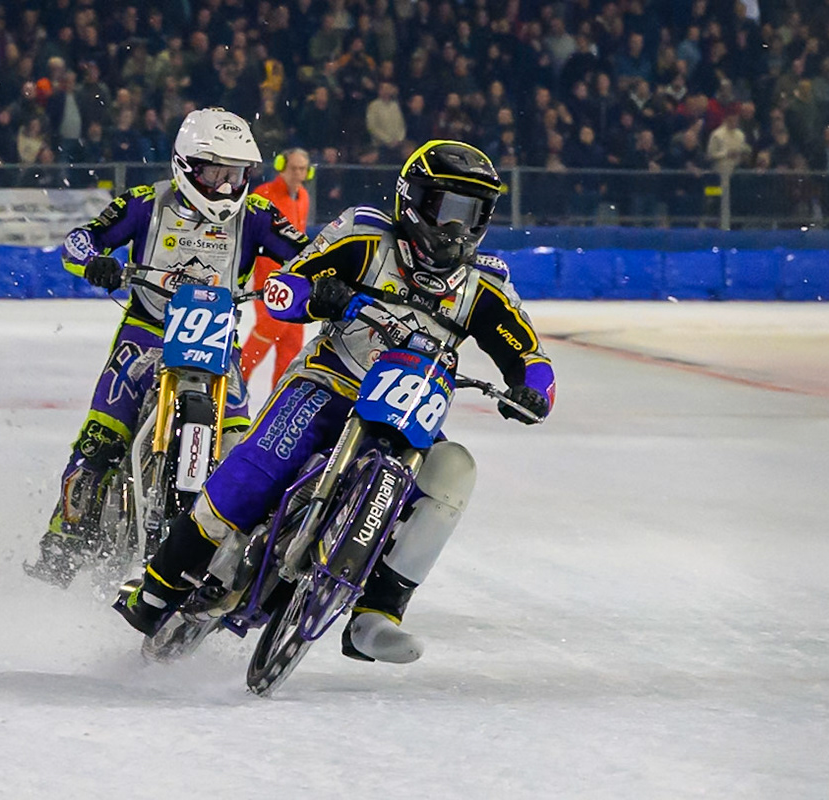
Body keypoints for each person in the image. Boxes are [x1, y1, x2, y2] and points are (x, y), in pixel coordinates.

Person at [116, 141, 556, 664]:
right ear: (413, 200)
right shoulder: (363, 236)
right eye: (447, 208)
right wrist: (316, 295)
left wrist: (532, 389)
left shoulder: (485, 285)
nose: (457, 228)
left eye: (472, 213)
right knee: (256, 470)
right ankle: (159, 587)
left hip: (412, 411)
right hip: (329, 384)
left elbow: (530, 353)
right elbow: (284, 287)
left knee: (455, 471)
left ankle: (378, 615)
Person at [24, 107, 309, 587]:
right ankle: (61, 545)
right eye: (216, 171)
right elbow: (78, 241)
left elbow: (310, 254)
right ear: (187, 165)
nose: (226, 185)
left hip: (218, 340)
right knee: (98, 443)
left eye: (237, 173)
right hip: (145, 334)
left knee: (244, 451)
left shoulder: (258, 214)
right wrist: (96, 263)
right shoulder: (143, 202)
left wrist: (319, 284)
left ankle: (238, 561)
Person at [239, 148, 312, 393]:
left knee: (292, 344)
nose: (299, 174)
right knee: (268, 330)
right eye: (294, 168)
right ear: (281, 166)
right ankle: (237, 378)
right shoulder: (264, 196)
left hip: (295, 283)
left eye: (303, 169)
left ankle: (279, 396)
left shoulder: (303, 197)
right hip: (268, 283)